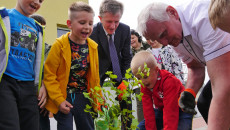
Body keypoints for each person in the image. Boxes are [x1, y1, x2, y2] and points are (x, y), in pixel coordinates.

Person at [136, 0, 230, 129]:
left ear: (172, 13)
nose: (164, 42)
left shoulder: (203, 19)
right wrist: (190, 91)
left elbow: (223, 87)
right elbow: (195, 67)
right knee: (204, 103)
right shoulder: (174, 36)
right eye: (158, 40)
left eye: (163, 34)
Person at [43, 2, 103, 130]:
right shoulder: (59, 45)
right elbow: (49, 75)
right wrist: (58, 100)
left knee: (87, 126)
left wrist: (99, 99)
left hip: (84, 95)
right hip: (64, 96)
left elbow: (95, 78)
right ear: (69, 24)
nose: (87, 27)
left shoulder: (92, 47)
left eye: (90, 23)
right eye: (82, 23)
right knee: (65, 127)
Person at [0, 0, 46, 129]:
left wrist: (41, 84)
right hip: (6, 82)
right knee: (9, 124)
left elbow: (38, 61)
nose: (37, 2)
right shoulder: (4, 16)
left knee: (32, 125)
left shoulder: (38, 28)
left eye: (41, 1)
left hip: (28, 86)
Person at [90, 0, 132, 129]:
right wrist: (96, 87)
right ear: (100, 18)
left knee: (126, 97)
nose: (113, 26)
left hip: (117, 67)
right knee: (93, 100)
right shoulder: (92, 31)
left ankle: (127, 127)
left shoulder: (125, 30)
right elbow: (89, 61)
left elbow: (127, 57)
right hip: (97, 68)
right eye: (109, 22)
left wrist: (125, 79)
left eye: (116, 21)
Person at [131, 51, 192, 130]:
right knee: (141, 128)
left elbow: (171, 113)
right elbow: (148, 112)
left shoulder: (169, 82)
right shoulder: (145, 86)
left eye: (145, 77)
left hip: (182, 109)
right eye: (138, 78)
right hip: (162, 110)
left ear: (156, 70)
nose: (142, 81)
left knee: (182, 128)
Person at [30, 14, 51, 130]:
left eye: (43, 28)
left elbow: (51, 73)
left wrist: (47, 93)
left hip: (41, 100)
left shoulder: (48, 50)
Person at [130, 29, 150, 123]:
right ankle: (142, 125)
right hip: (137, 82)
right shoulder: (128, 52)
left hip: (150, 78)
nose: (131, 40)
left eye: (133, 37)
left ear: (138, 37)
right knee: (140, 104)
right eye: (129, 39)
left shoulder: (147, 46)